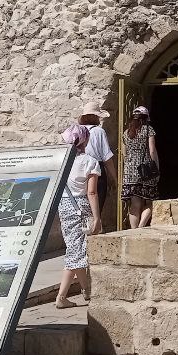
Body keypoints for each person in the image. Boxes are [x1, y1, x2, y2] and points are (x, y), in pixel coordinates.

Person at [56, 125, 101, 308]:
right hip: (80, 206)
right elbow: (92, 192)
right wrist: (97, 216)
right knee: (75, 252)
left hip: (64, 205)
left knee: (77, 248)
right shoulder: (90, 161)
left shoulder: (60, 161)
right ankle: (61, 297)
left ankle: (87, 290)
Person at [120, 106, 159, 228]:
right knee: (151, 200)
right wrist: (156, 166)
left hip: (130, 171)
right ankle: (141, 226)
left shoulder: (126, 133)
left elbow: (124, 153)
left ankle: (133, 230)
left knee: (135, 204)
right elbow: (152, 151)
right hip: (145, 170)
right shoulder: (148, 130)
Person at [77, 100, 115, 224]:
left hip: (78, 167)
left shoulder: (77, 130)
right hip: (95, 168)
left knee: (82, 201)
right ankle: (95, 226)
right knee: (96, 201)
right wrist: (114, 177)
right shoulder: (99, 132)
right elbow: (106, 157)